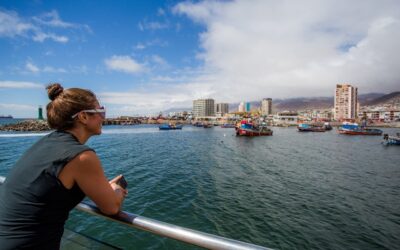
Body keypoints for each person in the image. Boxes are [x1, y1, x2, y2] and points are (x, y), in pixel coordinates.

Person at [0, 83, 127, 249]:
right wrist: (116, 188)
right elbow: (111, 207)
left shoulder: (47, 142)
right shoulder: (81, 156)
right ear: (83, 117)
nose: (104, 117)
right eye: (101, 111)